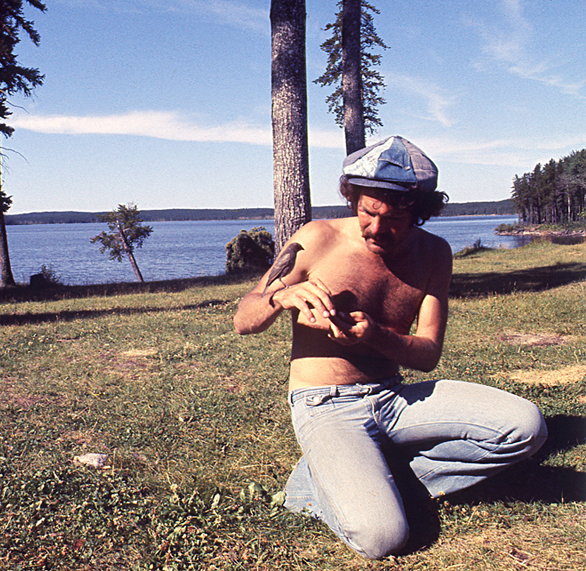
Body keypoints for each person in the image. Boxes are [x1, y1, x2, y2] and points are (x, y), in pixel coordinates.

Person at [233, 136, 547, 559]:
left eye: (395, 218)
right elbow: (243, 318)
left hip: (395, 398)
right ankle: (316, 484)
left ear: (419, 212)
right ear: (353, 200)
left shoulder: (435, 254)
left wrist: (376, 335)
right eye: (367, 212)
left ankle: (361, 476)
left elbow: (428, 353)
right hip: (325, 403)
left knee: (526, 429)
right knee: (383, 538)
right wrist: (280, 298)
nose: (377, 228)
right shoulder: (314, 239)